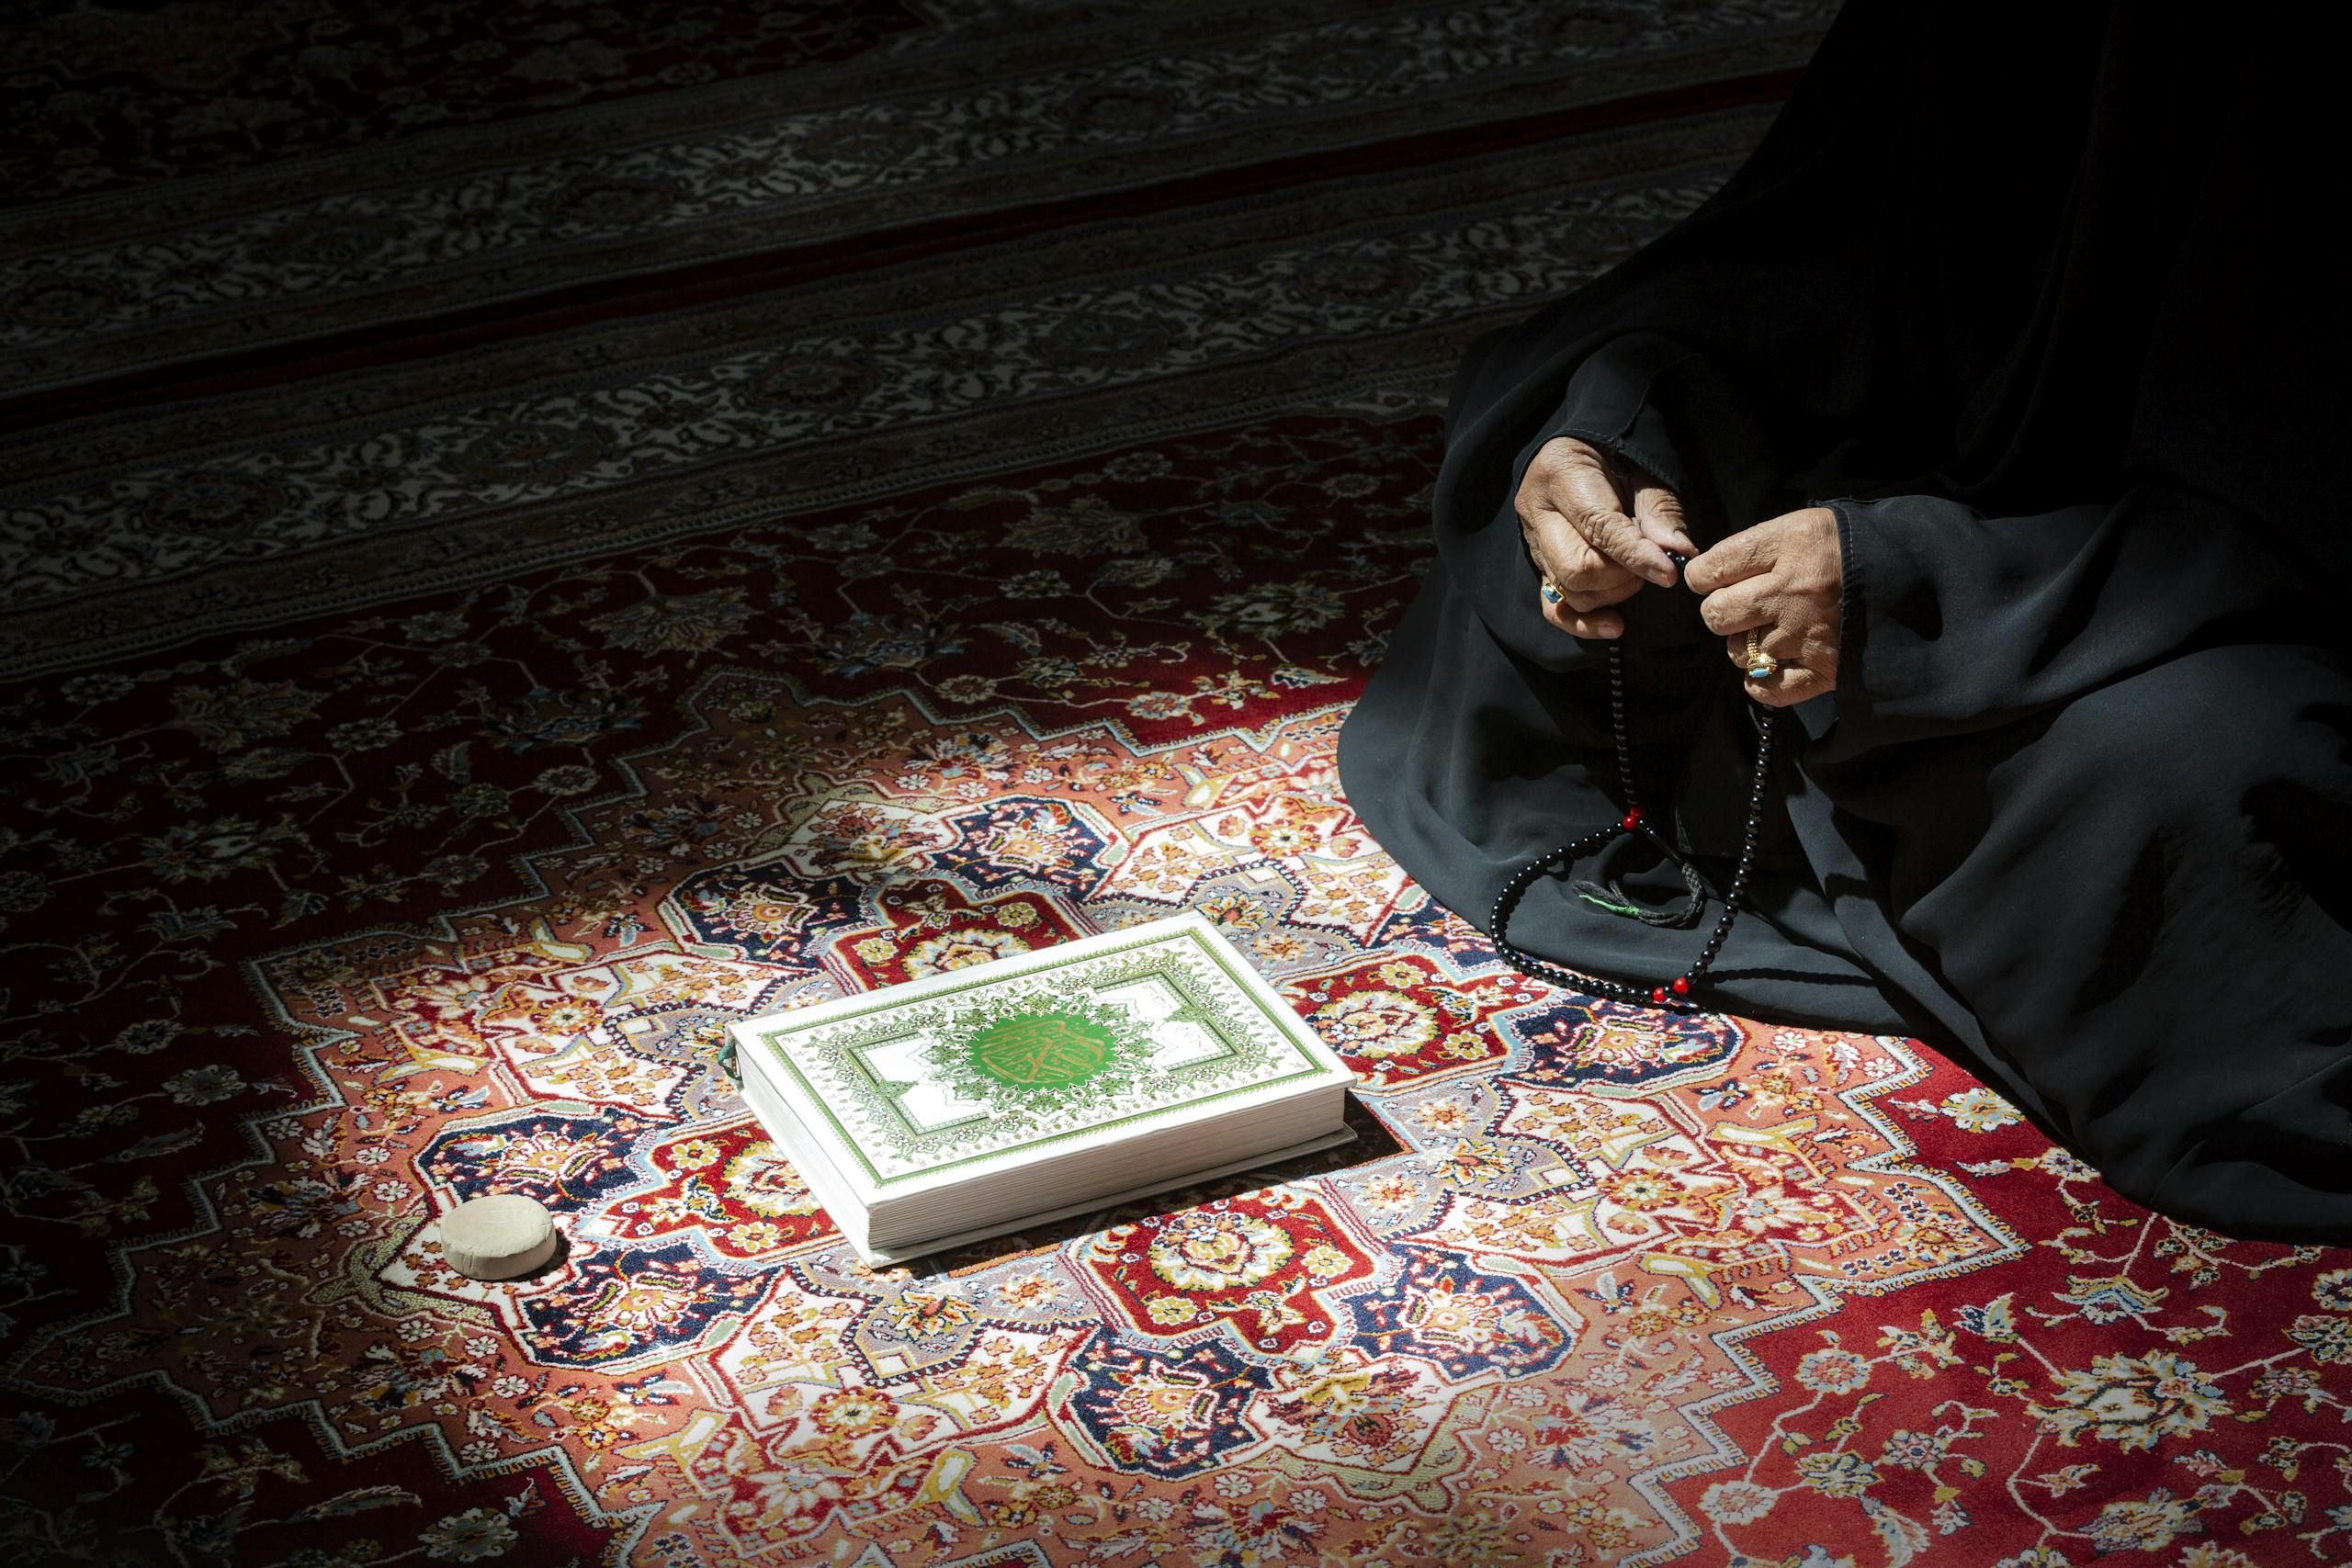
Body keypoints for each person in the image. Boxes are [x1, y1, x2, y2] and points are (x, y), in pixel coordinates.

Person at [1335, 0, 2349, 1243]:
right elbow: (1831, 243)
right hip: (1980, 472)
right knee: (1569, 513)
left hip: (2247, 592)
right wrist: (1622, 423)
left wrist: (1924, 584)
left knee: (2165, 774)